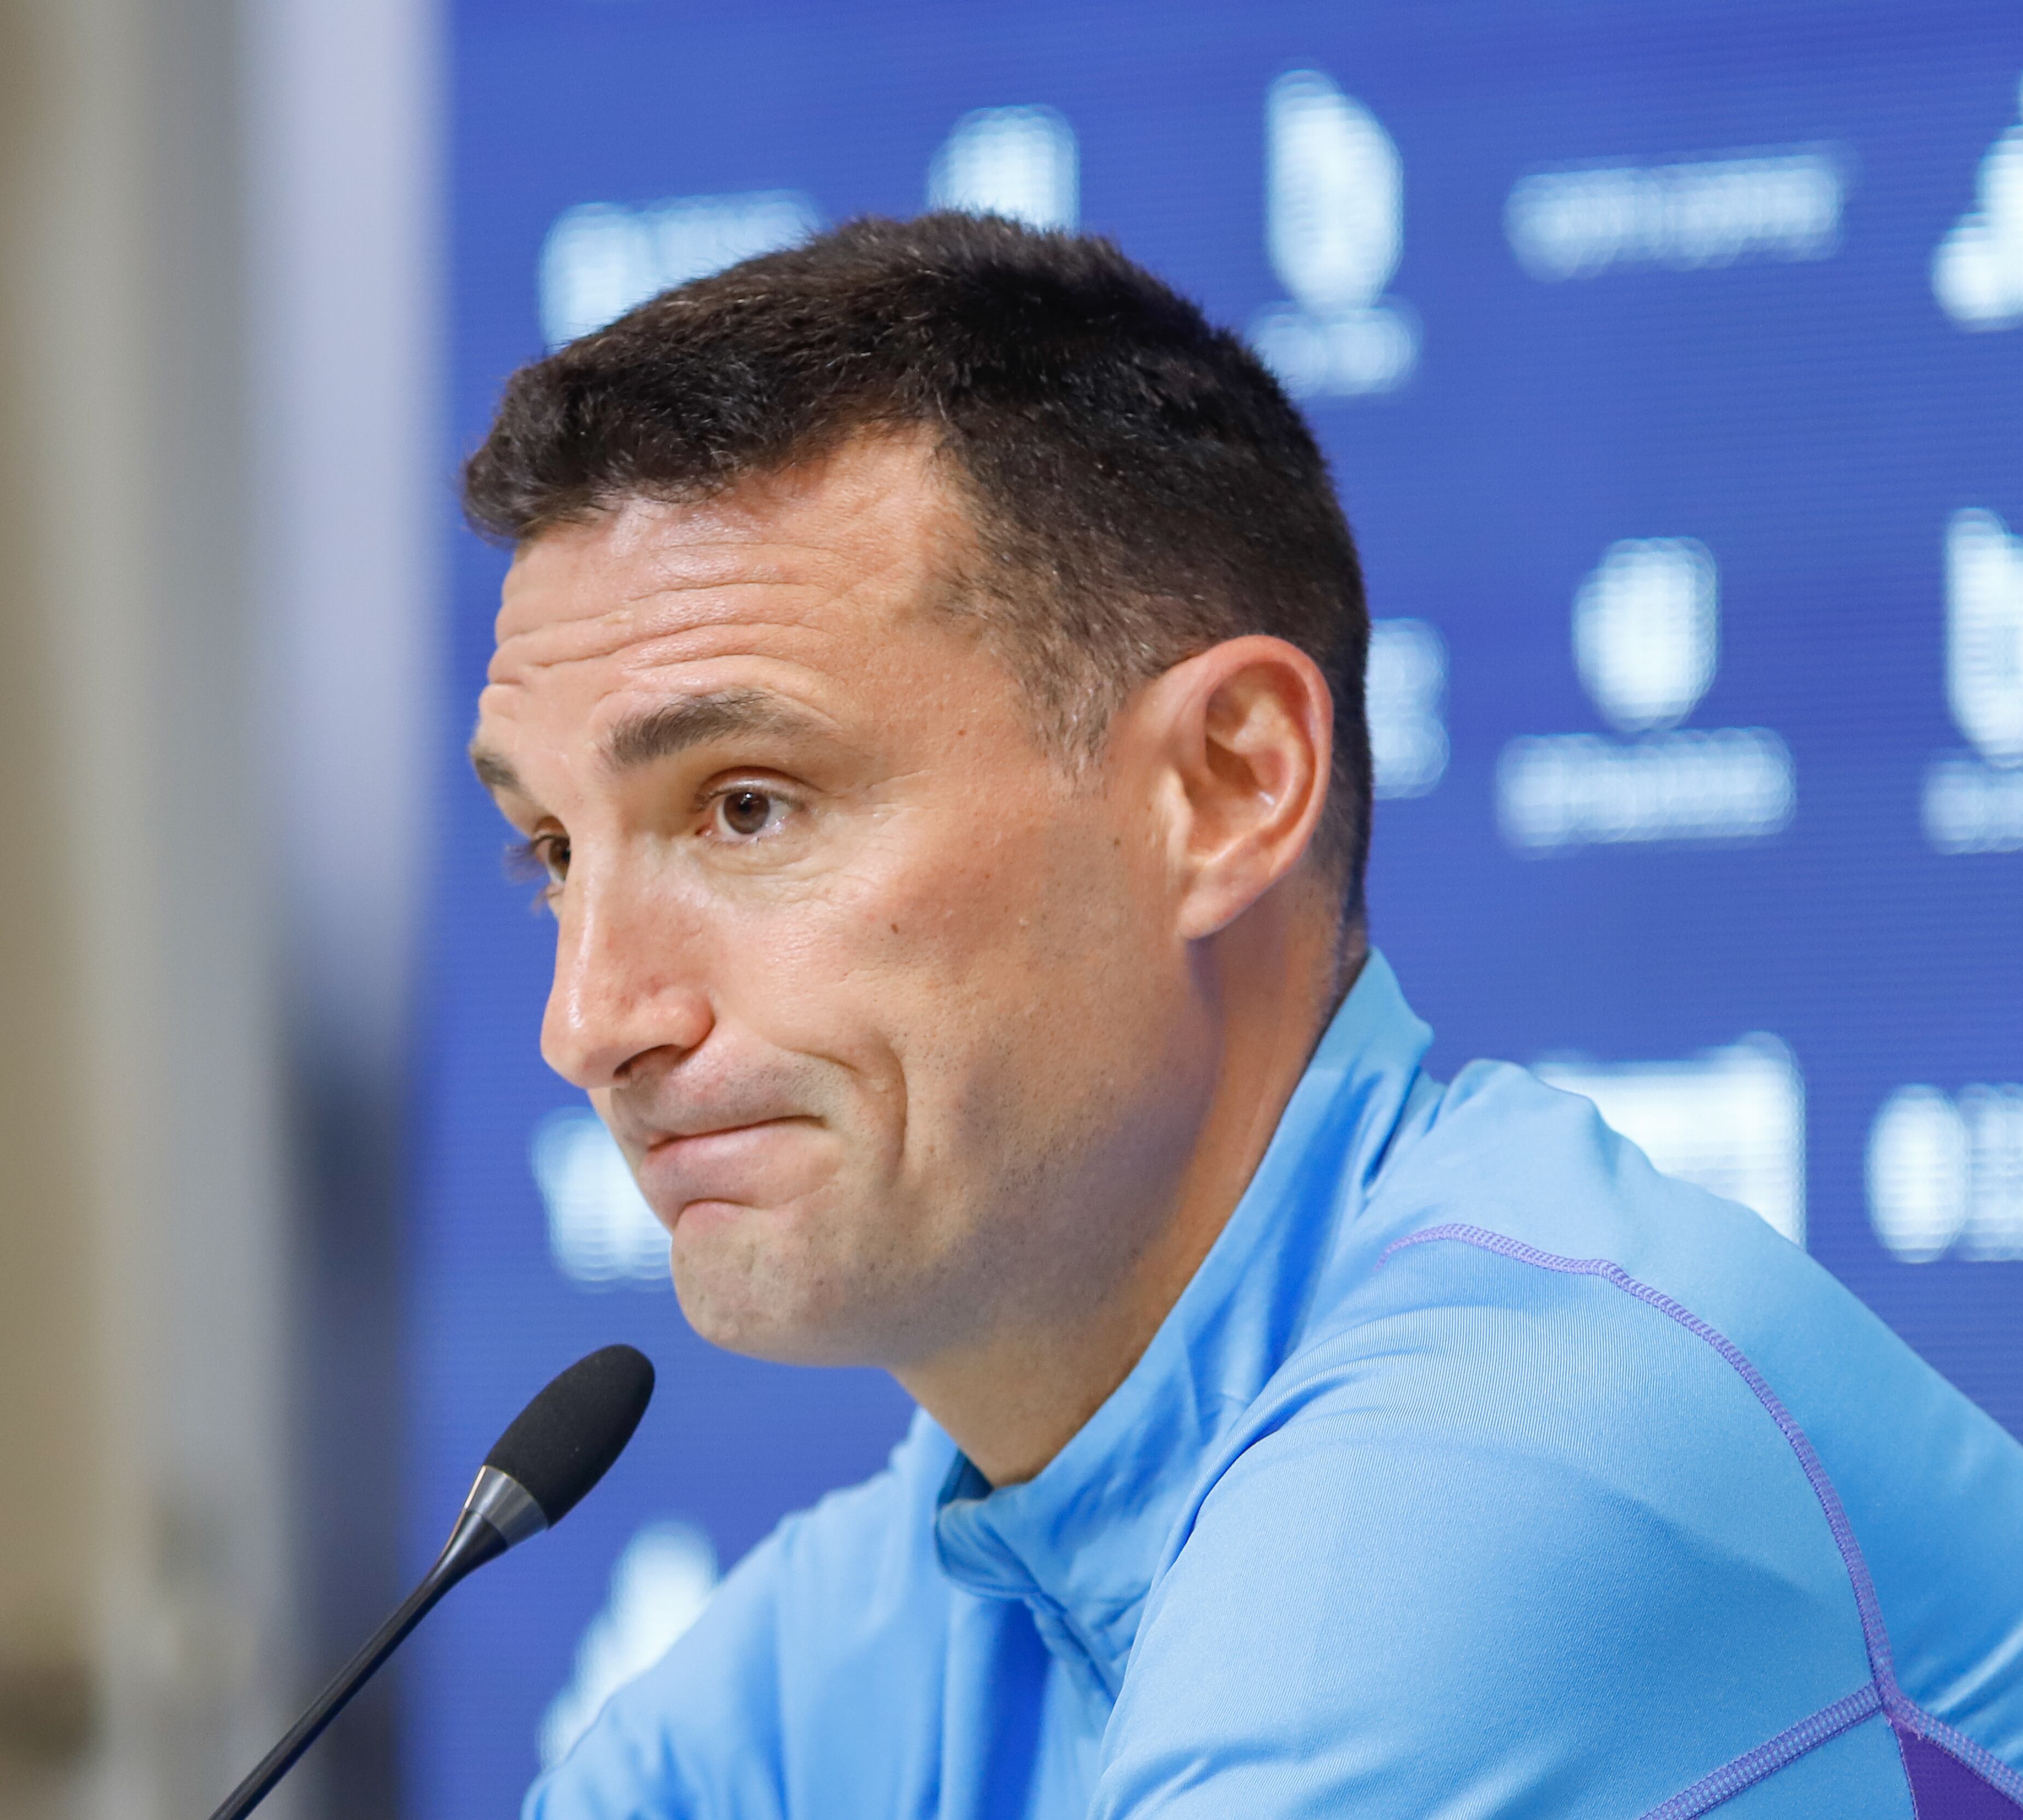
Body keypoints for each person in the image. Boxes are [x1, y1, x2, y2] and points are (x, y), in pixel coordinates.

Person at [462, 215, 2023, 1819]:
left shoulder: (1517, 1448)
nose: (588, 1023)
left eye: (749, 807)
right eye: (554, 852)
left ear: (1225, 789)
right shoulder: (906, 1607)